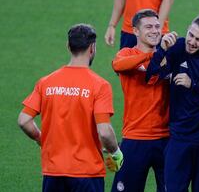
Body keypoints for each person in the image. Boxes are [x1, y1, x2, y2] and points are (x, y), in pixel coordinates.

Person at [17, 24, 123, 192]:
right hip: (87, 174)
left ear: (68, 46)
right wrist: (116, 152)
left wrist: (40, 139)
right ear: (92, 48)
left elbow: (23, 120)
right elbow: (104, 131)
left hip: (53, 172)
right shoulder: (100, 85)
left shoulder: (46, 82)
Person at [146, 13, 199, 192]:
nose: (191, 42)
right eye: (191, 34)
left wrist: (195, 84)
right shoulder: (177, 48)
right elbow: (151, 76)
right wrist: (161, 49)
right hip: (180, 137)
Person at [110, 9, 170, 192]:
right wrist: (153, 55)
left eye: (157, 27)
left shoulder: (169, 56)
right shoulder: (126, 53)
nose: (155, 31)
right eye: (149, 27)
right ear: (135, 31)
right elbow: (118, 65)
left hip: (167, 139)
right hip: (135, 138)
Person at [104, 0, 175, 48]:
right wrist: (112, 25)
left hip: (153, 32)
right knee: (127, 64)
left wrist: (157, 28)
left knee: (155, 64)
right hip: (130, 30)